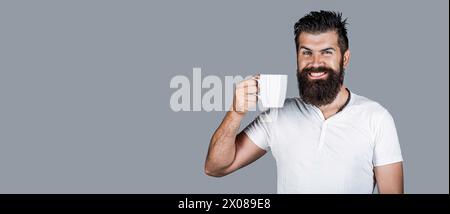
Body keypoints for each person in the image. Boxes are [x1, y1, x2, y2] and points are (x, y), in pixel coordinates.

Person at [204, 10, 403, 194]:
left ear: (345, 58)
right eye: (306, 52)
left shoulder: (377, 118)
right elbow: (215, 167)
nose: (315, 62)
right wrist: (236, 112)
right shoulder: (278, 115)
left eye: (327, 52)